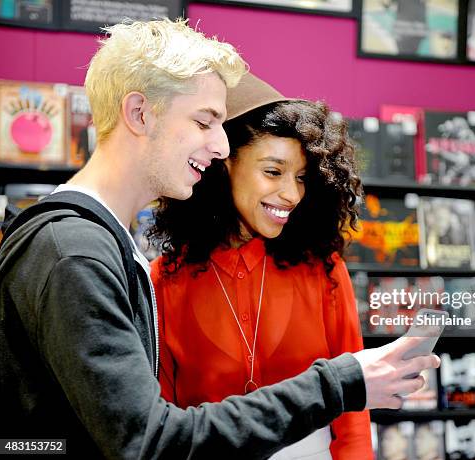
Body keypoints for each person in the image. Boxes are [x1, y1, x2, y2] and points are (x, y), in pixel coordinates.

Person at [0, 18, 440, 459]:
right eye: (204, 121)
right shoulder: (75, 253)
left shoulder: (98, 244)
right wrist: (340, 383)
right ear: (139, 114)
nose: (221, 146)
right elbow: (148, 442)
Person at [149, 74, 372, 459]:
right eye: (273, 171)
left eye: (302, 177)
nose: (292, 194)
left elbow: (353, 411)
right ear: (225, 164)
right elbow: (163, 420)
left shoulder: (323, 270)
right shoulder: (165, 279)